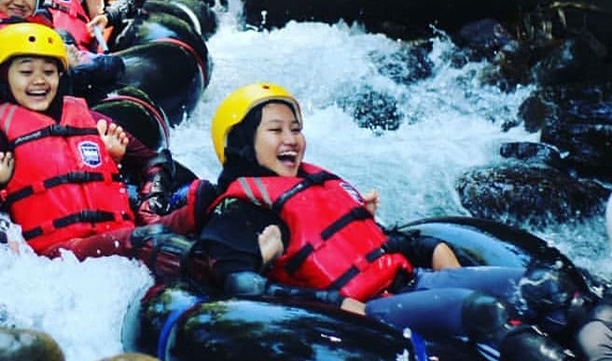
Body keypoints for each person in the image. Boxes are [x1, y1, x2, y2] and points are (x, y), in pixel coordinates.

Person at [196, 82, 591, 360]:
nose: (292, 139)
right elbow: (239, 286)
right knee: (484, 311)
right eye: (276, 130)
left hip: (412, 282)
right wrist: (325, 297)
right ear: (243, 142)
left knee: (547, 284)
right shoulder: (241, 210)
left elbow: (376, 243)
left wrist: (429, 248)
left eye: (296, 129)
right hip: (370, 311)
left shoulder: (318, 182)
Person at [0, 23, 194, 270]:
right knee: (152, 241)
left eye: (49, 71)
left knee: (202, 198)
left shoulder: (89, 120)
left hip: (119, 240)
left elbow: (156, 161)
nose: (39, 81)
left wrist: (147, 205)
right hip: (59, 256)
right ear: (2, 77)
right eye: (26, 71)